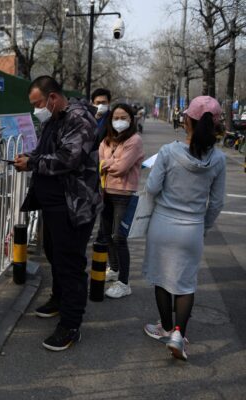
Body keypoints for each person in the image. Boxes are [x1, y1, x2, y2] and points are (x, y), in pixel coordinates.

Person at [14, 75, 101, 351]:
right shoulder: (53, 119)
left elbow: (68, 158)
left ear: (52, 97)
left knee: (70, 264)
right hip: (54, 206)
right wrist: (30, 157)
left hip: (74, 206)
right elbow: (46, 151)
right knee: (54, 253)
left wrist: (33, 163)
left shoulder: (79, 120)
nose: (36, 109)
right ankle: (59, 298)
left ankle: (71, 325)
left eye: (38, 103)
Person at [143, 96, 226, 361]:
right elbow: (217, 203)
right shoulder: (219, 160)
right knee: (186, 284)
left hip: (163, 224)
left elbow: (152, 188)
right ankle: (180, 334)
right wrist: (203, 226)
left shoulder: (169, 152)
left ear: (187, 121)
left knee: (161, 278)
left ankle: (165, 328)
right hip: (192, 228)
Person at [97, 103, 144, 298]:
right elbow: (99, 163)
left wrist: (108, 164)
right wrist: (109, 164)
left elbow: (122, 167)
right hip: (105, 192)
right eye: (116, 117)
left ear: (131, 120)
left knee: (119, 237)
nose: (119, 121)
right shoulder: (106, 141)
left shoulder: (135, 140)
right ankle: (114, 269)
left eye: (124, 117)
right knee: (107, 235)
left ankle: (124, 282)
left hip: (124, 194)